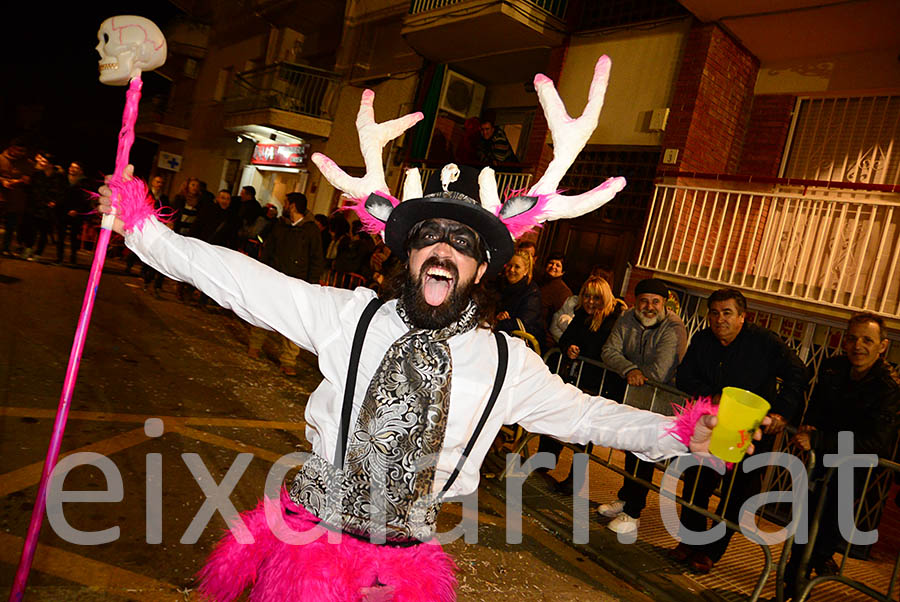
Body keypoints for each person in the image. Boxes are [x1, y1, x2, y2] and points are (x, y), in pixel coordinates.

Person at [99, 61, 756, 600]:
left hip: (403, 570)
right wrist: (143, 228)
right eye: (430, 238)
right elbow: (241, 282)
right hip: (304, 552)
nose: (444, 250)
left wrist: (679, 433)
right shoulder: (350, 317)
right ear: (407, 255)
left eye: (461, 243)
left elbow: (587, 416)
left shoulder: (506, 363)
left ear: (481, 266)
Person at [670, 287, 808, 574]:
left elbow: (798, 371)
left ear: (743, 316)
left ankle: (711, 551)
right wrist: (711, 394)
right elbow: (684, 376)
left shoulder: (764, 342)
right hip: (710, 430)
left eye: (728, 313)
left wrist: (782, 410)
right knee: (696, 485)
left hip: (751, 436)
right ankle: (690, 539)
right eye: (715, 313)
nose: (720, 319)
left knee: (737, 496)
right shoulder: (703, 340)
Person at [783, 313, 900, 598]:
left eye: (867, 340)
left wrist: (819, 439)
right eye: (852, 338)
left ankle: (814, 565)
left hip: (851, 472)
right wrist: (809, 427)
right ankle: (792, 587)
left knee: (826, 532)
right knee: (801, 531)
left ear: (882, 346)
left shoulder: (889, 388)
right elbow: (817, 409)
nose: (858, 345)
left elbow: (876, 444)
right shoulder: (833, 369)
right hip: (817, 464)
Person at [597, 278, 688, 536]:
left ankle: (634, 512)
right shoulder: (627, 318)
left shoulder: (674, 327)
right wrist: (630, 370)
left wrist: (633, 372)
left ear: (664, 304)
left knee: (646, 455)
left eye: (655, 302)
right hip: (634, 397)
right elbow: (608, 350)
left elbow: (660, 370)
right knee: (631, 451)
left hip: (659, 403)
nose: (649, 307)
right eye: (644, 301)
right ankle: (626, 499)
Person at [537, 275, 627, 494]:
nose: (590, 301)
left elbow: (605, 350)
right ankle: (543, 463)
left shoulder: (614, 321)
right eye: (586, 296)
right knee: (557, 419)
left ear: (604, 298)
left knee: (583, 435)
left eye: (596, 298)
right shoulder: (580, 315)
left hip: (598, 384)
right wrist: (569, 347)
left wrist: (582, 351)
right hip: (577, 379)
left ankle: (574, 480)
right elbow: (567, 337)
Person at [248, 192, 324, 376]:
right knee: (264, 314)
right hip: (275, 278)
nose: (284, 205)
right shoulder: (280, 226)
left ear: (293, 206)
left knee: (293, 324)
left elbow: (316, 259)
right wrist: (263, 271)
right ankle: (255, 346)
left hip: (298, 284)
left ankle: (288, 360)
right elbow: (268, 248)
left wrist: (312, 285)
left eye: (286, 202)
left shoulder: (311, 231)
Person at [495, 250, 543, 346]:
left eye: (517, 267)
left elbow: (524, 322)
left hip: (520, 344)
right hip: (499, 338)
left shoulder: (532, 292)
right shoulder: (499, 284)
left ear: (526, 271)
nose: (511, 270)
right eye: (509, 265)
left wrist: (498, 322)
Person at [27, 151, 65, 260]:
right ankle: (28, 248)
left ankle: (38, 253)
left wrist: (55, 202)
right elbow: (32, 190)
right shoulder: (37, 175)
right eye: (42, 161)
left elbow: (63, 192)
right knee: (31, 230)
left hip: (49, 209)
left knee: (43, 232)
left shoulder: (59, 177)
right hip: (35, 206)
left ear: (50, 164)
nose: (41, 163)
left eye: (44, 161)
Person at [0, 138, 32, 256]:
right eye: (19, 150)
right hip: (1, 197)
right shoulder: (1, 159)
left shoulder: (27, 163)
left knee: (10, 226)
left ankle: (6, 248)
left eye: (23, 151)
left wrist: (25, 181)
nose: (21, 153)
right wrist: (3, 181)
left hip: (16, 200)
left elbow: (30, 177)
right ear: (11, 148)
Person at [56, 161, 91, 265]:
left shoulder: (84, 182)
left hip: (76, 213)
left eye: (75, 167)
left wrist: (77, 210)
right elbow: (59, 193)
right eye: (71, 167)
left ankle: (73, 258)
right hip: (62, 210)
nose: (72, 169)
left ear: (80, 170)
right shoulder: (63, 179)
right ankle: (59, 258)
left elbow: (86, 198)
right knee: (60, 236)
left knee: (74, 236)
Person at [539, 253, 572, 348]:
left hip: (546, 338)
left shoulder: (563, 291)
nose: (553, 267)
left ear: (563, 271)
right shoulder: (539, 282)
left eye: (558, 265)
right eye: (551, 263)